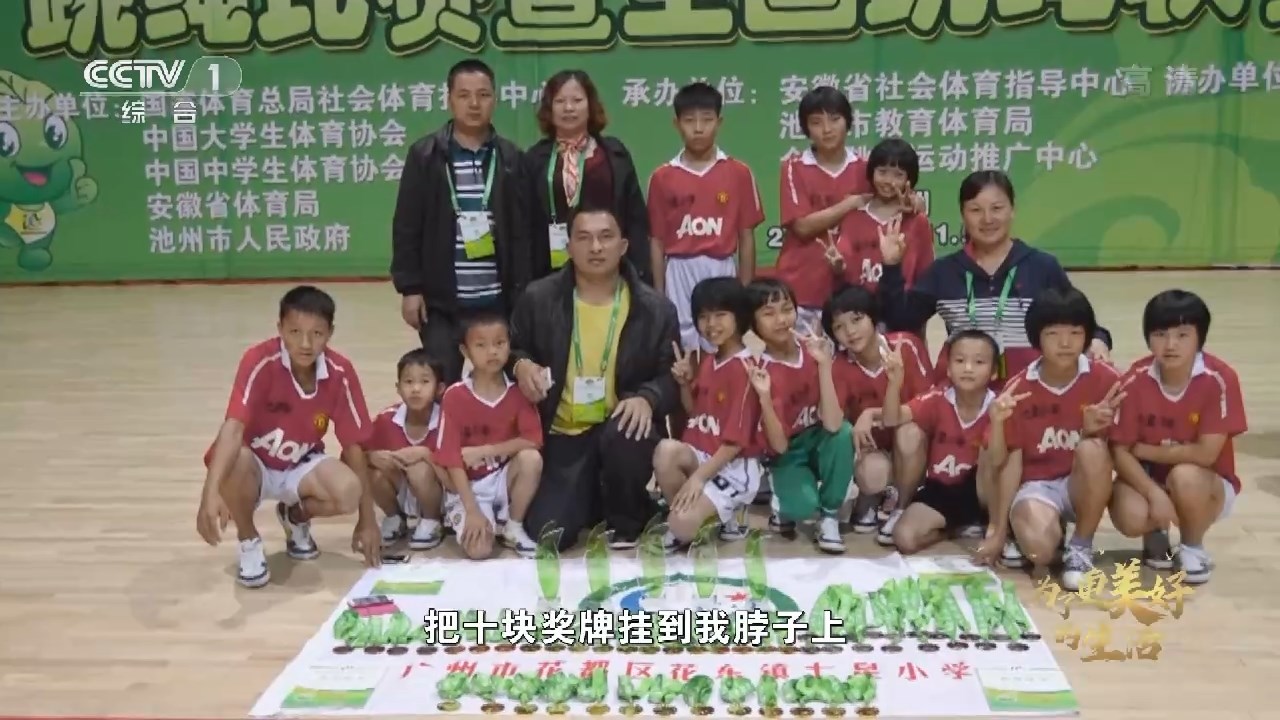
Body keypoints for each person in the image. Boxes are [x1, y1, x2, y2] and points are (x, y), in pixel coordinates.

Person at [877, 170, 1114, 555]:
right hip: (966, 403)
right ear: (962, 214)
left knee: (1032, 521)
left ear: (1012, 210)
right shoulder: (945, 272)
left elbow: (1075, 316)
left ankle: (1015, 520)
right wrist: (891, 266)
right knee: (915, 436)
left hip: (1023, 408)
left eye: (997, 208)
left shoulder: (1041, 266)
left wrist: (1099, 340)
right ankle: (959, 515)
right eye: (976, 210)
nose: (987, 219)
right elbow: (902, 318)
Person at [507, 204, 679, 551]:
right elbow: (512, 348)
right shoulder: (539, 298)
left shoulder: (655, 308)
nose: (596, 247)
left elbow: (671, 376)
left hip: (619, 428)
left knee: (628, 433)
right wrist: (520, 364)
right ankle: (591, 497)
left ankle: (627, 518)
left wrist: (648, 397)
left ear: (624, 245)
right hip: (561, 431)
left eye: (606, 237)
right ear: (569, 246)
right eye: (584, 238)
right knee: (549, 534)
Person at [195, 286, 381, 588]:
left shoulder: (340, 371)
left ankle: (295, 516)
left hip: (300, 463)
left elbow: (354, 446)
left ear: (330, 333)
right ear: (280, 328)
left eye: (317, 334)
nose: (306, 344)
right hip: (254, 465)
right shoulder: (258, 360)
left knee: (349, 490)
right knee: (233, 458)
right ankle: (248, 539)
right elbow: (233, 427)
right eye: (295, 332)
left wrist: (367, 520)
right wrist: (210, 493)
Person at [391, 59, 532, 384]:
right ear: (449, 99)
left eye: (483, 95)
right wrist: (410, 288)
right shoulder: (425, 155)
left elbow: (523, 233)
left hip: (497, 300)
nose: (474, 103)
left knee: (499, 384)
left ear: (495, 99)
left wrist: (523, 294)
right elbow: (407, 226)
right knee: (442, 383)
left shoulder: (511, 158)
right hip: (442, 302)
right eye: (464, 95)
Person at [977, 287, 1123, 590]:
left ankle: (1081, 546)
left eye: (1075, 333)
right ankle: (1043, 534)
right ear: (1037, 337)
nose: (1065, 343)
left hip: (1083, 483)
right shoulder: (1018, 389)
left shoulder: (1107, 380)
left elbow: (1124, 447)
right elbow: (1005, 462)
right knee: (1039, 553)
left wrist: (1092, 432)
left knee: (1092, 449)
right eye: (1053, 334)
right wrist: (998, 530)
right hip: (1037, 486)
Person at [1108, 290, 1246, 585]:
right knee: (1130, 514)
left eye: (1183, 335)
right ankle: (1155, 534)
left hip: (1205, 483)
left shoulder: (1220, 379)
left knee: (1184, 477)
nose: (1170, 345)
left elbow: (1205, 454)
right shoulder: (1134, 379)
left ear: (1199, 338)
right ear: (1148, 338)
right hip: (1150, 480)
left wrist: (1144, 450)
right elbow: (1120, 451)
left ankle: (1192, 547)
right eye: (1160, 334)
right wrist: (1153, 492)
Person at [775, 86, 924, 329]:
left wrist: (916, 203)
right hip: (804, 288)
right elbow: (801, 227)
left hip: (854, 295)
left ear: (848, 122)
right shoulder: (794, 167)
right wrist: (850, 203)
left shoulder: (867, 169)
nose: (827, 129)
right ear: (805, 128)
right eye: (816, 122)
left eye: (835, 119)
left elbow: (897, 200)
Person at [648, 82, 765, 351]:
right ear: (676, 124)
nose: (698, 128)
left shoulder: (739, 172)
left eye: (707, 120)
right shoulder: (662, 177)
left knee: (725, 341)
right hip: (679, 269)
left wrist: (744, 291)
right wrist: (659, 295)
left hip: (721, 266)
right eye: (689, 121)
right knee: (683, 345)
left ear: (719, 122)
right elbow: (656, 241)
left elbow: (746, 236)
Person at [748, 278, 855, 554]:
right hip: (788, 452)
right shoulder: (759, 371)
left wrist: (823, 366)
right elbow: (780, 446)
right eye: (769, 314)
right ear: (753, 324)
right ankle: (783, 503)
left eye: (787, 309)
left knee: (844, 433)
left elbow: (833, 424)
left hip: (819, 439)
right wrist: (764, 398)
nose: (781, 320)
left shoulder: (815, 351)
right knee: (802, 508)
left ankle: (829, 516)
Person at [654, 277, 763, 546]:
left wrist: (698, 479)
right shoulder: (711, 360)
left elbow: (735, 443)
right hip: (702, 455)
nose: (711, 324)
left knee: (681, 527)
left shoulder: (745, 369)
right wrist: (684, 384)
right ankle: (693, 515)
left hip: (731, 469)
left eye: (720, 314)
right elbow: (695, 413)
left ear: (739, 316)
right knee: (666, 450)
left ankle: (728, 514)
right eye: (703, 316)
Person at [821, 286, 931, 537]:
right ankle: (873, 496)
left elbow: (929, 404)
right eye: (839, 327)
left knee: (909, 433)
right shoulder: (839, 365)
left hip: (913, 444)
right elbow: (832, 423)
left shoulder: (906, 346)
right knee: (872, 474)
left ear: (873, 318)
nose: (850, 331)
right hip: (873, 449)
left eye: (857, 319)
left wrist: (872, 412)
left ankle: (901, 507)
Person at [880, 330, 1002, 554]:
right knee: (904, 539)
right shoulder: (937, 397)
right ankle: (952, 529)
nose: (968, 368)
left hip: (983, 492)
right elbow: (891, 419)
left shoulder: (1001, 406)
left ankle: (997, 527)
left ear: (994, 372)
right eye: (960, 360)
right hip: (941, 490)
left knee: (992, 452)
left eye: (979, 362)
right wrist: (894, 383)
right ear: (948, 368)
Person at [434, 314, 544, 559]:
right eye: (481, 345)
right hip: (470, 487)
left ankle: (513, 525)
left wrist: (486, 451)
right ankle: (471, 518)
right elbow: (451, 459)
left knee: (531, 458)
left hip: (504, 478)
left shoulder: (519, 391)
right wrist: (472, 510)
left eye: (499, 343)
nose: (492, 351)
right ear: (465, 351)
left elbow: (533, 439)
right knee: (479, 551)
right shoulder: (454, 396)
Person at [525, 70, 651, 284]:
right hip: (551, 271)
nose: (569, 108)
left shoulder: (614, 154)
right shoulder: (535, 159)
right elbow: (525, 224)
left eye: (577, 100)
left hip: (610, 265)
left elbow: (635, 218)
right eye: (560, 101)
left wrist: (639, 272)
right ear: (549, 108)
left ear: (590, 106)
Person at [366, 349, 446, 550]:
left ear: (439, 388)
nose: (416, 389)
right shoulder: (385, 420)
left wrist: (427, 456)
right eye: (408, 382)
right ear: (398, 388)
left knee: (418, 469)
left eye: (424, 381)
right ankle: (394, 518)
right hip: (403, 489)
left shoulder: (448, 420)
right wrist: (370, 456)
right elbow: (350, 455)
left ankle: (432, 520)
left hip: (441, 492)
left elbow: (458, 469)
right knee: (372, 471)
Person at [835, 138, 934, 295]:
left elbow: (926, 273)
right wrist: (838, 267)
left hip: (902, 306)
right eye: (882, 172)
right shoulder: (854, 218)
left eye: (898, 175)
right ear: (871, 172)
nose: (888, 181)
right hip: (861, 307)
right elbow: (845, 269)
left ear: (909, 180)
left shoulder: (918, 221)